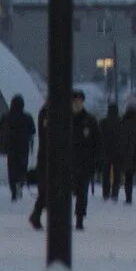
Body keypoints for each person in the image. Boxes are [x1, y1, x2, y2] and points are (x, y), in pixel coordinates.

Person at [31, 91, 100, 232]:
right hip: (61, 162)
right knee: (52, 191)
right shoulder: (55, 116)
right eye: (75, 101)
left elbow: (97, 142)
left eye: (80, 100)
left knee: (81, 193)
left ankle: (79, 219)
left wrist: (95, 160)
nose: (77, 103)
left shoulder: (88, 120)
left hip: (82, 162)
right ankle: (40, 215)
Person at [0, 95, 35, 201]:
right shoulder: (27, 117)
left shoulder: (6, 117)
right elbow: (33, 131)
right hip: (23, 147)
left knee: (11, 169)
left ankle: (13, 190)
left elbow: (0, 130)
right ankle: (19, 184)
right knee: (22, 168)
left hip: (10, 147)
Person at [119, 101, 136, 202]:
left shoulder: (124, 121)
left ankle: (128, 198)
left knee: (128, 178)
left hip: (128, 153)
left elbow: (121, 139)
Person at [99, 101, 123, 200]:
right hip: (118, 150)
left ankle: (105, 192)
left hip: (105, 150)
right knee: (117, 172)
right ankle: (115, 192)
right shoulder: (121, 122)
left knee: (106, 172)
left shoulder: (103, 122)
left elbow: (99, 136)